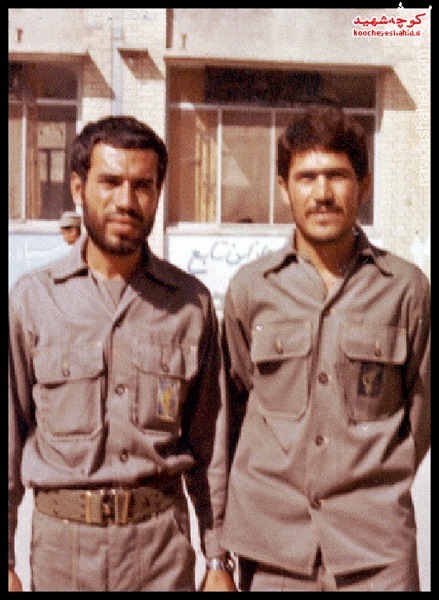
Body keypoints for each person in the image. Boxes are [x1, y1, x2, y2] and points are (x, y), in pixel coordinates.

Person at [9, 115, 236, 592]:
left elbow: (211, 445)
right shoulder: (32, 301)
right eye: (110, 182)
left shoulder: (189, 305)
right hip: (62, 555)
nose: (126, 202)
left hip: (159, 553)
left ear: (158, 193)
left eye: (142, 185)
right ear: (78, 187)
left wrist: (219, 559)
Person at [220, 105, 430, 592]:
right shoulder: (251, 290)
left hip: (376, 553)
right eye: (306, 177)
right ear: (283, 187)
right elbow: (234, 411)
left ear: (364, 185)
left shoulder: (406, 290)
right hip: (275, 554)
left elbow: (420, 417)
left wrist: (368, 480)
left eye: (337, 175)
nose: (322, 193)